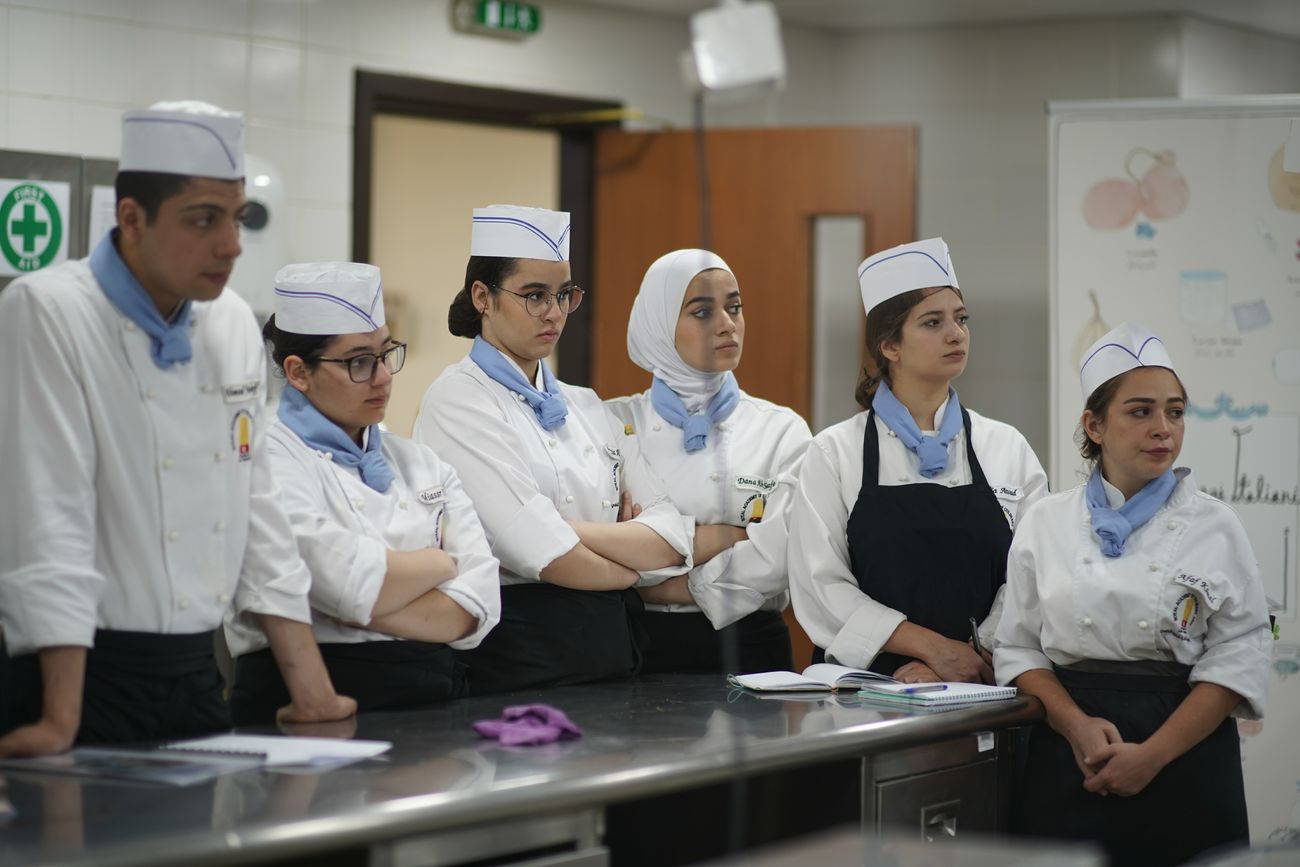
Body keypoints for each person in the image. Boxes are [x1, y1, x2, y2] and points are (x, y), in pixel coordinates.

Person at [0, 102, 354, 756]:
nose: (231, 243)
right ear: (130, 218)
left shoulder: (232, 324)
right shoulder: (48, 310)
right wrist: (59, 717)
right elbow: (51, 516)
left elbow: (257, 510)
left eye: (237, 217)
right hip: (79, 673)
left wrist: (312, 690)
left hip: (194, 676)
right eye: (203, 219)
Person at [994, 323, 1270, 867]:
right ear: (1094, 425)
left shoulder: (1215, 526)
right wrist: (1075, 726)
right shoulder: (1046, 522)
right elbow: (1019, 647)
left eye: (1175, 411)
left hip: (1186, 757)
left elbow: (1240, 653)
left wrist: (1153, 755)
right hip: (1073, 756)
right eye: (1140, 411)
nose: (1162, 428)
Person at [412, 205, 694, 694]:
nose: (555, 313)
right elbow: (539, 553)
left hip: (614, 651)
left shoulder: (585, 404)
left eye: (564, 295)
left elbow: (671, 542)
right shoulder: (458, 398)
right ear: (483, 297)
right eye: (535, 296)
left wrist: (565, 530)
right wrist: (631, 564)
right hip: (519, 658)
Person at [225, 263, 501, 721]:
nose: (383, 377)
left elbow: (476, 608)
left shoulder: (421, 463)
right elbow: (342, 585)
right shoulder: (264, 458)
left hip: (436, 699)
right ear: (297, 371)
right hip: (307, 699)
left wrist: (345, 607)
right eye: (358, 362)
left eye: (385, 353)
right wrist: (440, 563)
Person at [788, 238, 1047, 682]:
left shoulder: (1006, 447)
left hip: (981, 681)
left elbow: (1033, 576)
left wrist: (970, 655)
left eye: (961, 319)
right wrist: (933, 651)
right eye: (933, 322)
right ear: (890, 346)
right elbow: (821, 587)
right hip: (867, 687)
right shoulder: (834, 453)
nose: (956, 333)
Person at [605, 249, 811, 674]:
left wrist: (653, 583)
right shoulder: (611, 423)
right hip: (635, 641)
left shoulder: (782, 430)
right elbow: (596, 543)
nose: (726, 324)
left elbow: (779, 558)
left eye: (734, 307)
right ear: (660, 325)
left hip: (752, 643)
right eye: (702, 312)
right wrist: (730, 536)